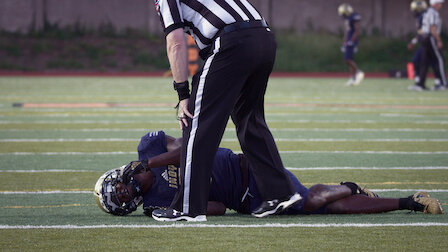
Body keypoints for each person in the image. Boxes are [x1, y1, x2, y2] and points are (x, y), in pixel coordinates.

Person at [152, 0, 301, 221]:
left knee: (195, 119)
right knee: (249, 119)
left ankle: (188, 208)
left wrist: (182, 93)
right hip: (264, 37)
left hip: (231, 42)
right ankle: (279, 193)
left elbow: (176, 43)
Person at [94, 131, 444, 217]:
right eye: (122, 200)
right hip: (247, 200)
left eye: (119, 189)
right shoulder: (156, 206)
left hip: (244, 165)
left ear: (119, 176)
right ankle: (407, 201)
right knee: (323, 207)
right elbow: (215, 209)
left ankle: (355, 187)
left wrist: (154, 165)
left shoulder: (149, 148)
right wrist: (186, 197)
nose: (126, 193)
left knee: (314, 200)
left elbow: (193, 141)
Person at [408, 0, 442, 91]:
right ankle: (421, 83)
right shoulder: (425, 14)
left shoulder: (423, 16)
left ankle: (438, 82)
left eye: (415, 10)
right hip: (426, 39)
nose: (413, 11)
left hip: (427, 39)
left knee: (433, 61)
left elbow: (424, 31)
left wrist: (414, 42)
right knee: (424, 61)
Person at [338, 3, 364, 86]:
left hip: (352, 41)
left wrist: (351, 41)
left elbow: (357, 31)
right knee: (349, 59)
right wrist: (344, 42)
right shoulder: (348, 19)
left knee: (347, 59)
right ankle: (353, 78)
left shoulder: (354, 17)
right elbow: (347, 32)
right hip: (349, 41)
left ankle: (358, 72)